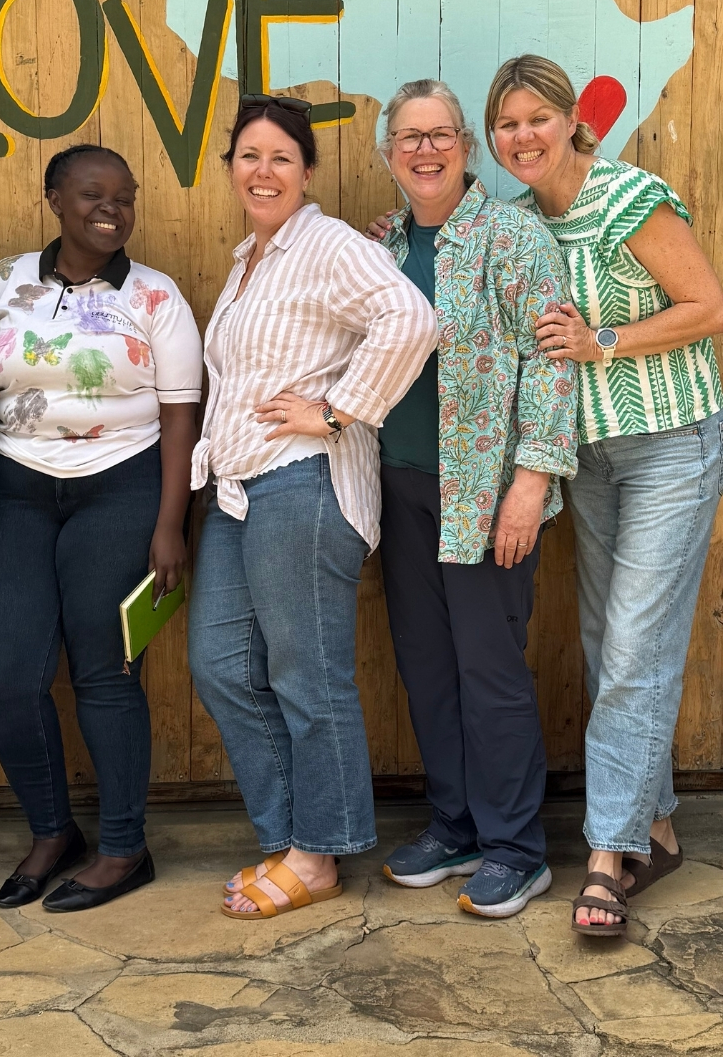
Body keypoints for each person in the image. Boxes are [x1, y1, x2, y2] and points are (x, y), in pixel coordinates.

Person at [487, 54, 723, 936]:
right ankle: (655, 829)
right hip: (588, 456)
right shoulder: (518, 222)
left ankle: (607, 854)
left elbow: (708, 305)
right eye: (506, 124)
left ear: (570, 120)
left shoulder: (630, 197)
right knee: (609, 643)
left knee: (632, 647)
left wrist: (604, 342)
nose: (523, 137)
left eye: (536, 119)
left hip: (670, 442)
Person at [187, 94, 438, 921]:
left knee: (306, 673)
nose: (263, 172)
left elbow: (410, 318)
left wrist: (337, 411)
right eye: (249, 156)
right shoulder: (248, 260)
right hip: (237, 488)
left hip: (303, 480)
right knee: (222, 664)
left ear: (307, 172)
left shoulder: (327, 244)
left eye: (281, 159)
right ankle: (289, 835)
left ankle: (318, 853)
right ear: (231, 166)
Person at [0, 144, 202, 912]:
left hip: (122, 486)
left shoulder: (156, 295)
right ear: (55, 200)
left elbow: (180, 418)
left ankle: (125, 848)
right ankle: (51, 832)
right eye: (93, 194)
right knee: (4, 674)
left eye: (124, 197)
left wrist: (171, 524)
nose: (112, 209)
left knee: (106, 672)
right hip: (14, 490)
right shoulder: (6, 282)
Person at [365, 81, 577, 918]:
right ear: (388, 153)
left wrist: (532, 482)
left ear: (466, 147)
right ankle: (455, 826)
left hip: (485, 493)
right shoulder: (382, 245)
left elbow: (552, 361)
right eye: (409, 137)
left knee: (490, 670)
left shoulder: (513, 237)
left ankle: (516, 848)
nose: (425, 150)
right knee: (426, 665)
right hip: (401, 486)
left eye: (440, 135)